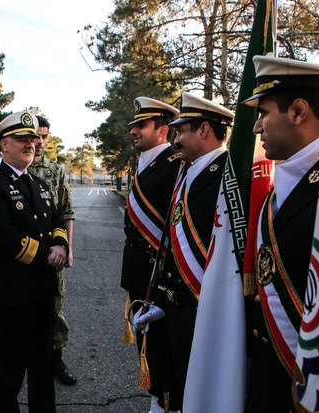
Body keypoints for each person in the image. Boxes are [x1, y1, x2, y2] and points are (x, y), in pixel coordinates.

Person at [241, 56, 319, 413]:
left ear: (298, 111)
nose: (255, 128)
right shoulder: (284, 184)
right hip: (272, 375)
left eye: (263, 113)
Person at [133, 92, 235, 412]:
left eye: (182, 131)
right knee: (178, 387)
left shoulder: (225, 175)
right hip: (178, 306)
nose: (175, 139)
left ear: (203, 130)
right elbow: (172, 245)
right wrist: (161, 300)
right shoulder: (190, 172)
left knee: (199, 391)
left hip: (203, 308)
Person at [0, 111, 69, 413]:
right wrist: (48, 255)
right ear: (4, 144)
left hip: (43, 288)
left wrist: (60, 243)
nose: (31, 144)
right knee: (10, 365)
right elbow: (4, 236)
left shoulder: (40, 184)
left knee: (42, 363)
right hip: (13, 292)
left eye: (33, 139)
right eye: (22, 139)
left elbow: (56, 220)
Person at [120, 96, 181, 413]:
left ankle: (164, 403)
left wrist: (161, 291)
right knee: (148, 346)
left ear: (163, 129)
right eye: (133, 126)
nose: (133, 131)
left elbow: (174, 235)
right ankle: (157, 399)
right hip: (139, 275)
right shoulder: (147, 164)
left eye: (141, 125)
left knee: (161, 350)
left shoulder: (173, 166)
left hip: (158, 281)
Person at [28, 115, 77, 385]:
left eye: (45, 136)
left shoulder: (55, 171)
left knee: (55, 306)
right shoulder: (17, 169)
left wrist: (68, 248)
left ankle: (55, 360)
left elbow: (67, 210)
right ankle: (26, 359)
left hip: (54, 252)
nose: (40, 141)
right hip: (24, 253)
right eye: (35, 135)